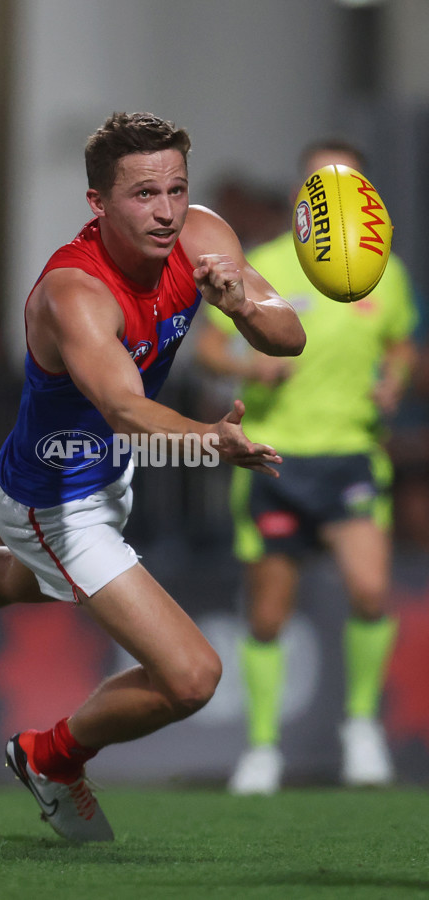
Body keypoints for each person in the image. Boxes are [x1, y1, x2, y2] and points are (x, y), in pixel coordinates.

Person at [0, 112, 305, 842]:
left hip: (100, 474)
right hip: (55, 499)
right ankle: (53, 758)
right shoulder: (76, 294)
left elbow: (291, 335)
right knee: (192, 677)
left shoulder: (202, 236)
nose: (166, 212)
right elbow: (126, 409)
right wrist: (207, 440)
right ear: (98, 203)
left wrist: (244, 304)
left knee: (23, 578)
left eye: (177, 190)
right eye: (143, 195)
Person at [196, 139, 418, 795]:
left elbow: (401, 347)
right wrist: (249, 364)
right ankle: (263, 748)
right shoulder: (262, 265)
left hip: (351, 452)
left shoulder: (389, 274)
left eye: (347, 181)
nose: (334, 192)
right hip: (275, 460)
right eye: (321, 182)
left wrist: (394, 381)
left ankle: (361, 728)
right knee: (268, 616)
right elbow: (210, 350)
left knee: (372, 590)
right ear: (303, 197)